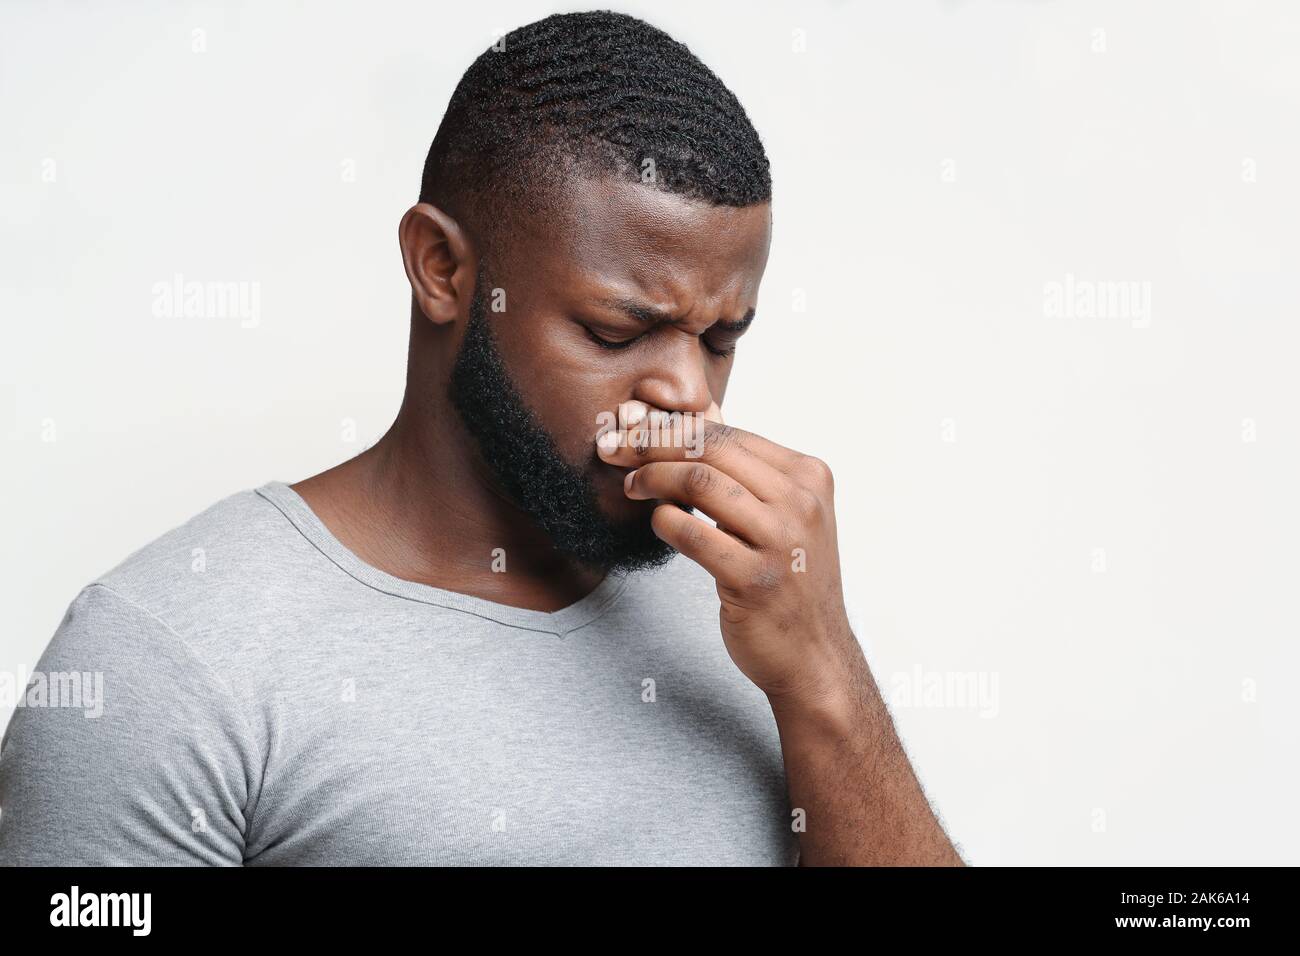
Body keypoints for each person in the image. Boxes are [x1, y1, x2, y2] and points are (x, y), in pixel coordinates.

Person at [0, 10, 963, 866]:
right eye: (617, 331)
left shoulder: (752, 611)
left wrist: (827, 678)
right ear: (441, 269)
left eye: (721, 340)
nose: (685, 393)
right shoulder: (172, 658)